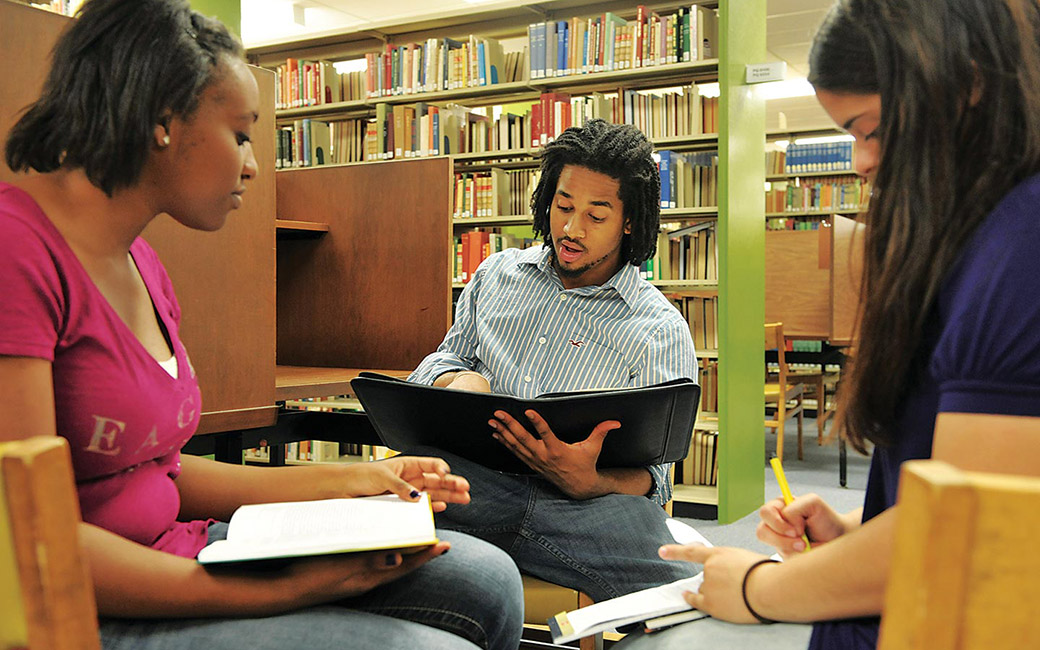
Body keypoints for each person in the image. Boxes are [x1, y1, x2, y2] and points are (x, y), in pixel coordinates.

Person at [0, 1, 522, 649]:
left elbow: (159, 475)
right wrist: (285, 588)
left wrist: (357, 480)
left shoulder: (142, 263)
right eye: (241, 134)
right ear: (163, 120)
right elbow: (27, 535)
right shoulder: (15, 251)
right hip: (81, 608)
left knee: (488, 581)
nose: (252, 165)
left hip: (179, 551)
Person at [641, 0, 1040, 648]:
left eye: (871, 129)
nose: (860, 161)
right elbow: (945, 488)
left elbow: (971, 540)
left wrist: (755, 587)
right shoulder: (983, 235)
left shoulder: (1021, 250)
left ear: (963, 85)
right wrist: (859, 528)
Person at [408, 118, 700, 602]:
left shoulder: (659, 329)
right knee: (357, 523)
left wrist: (593, 480)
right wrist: (453, 379)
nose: (571, 228)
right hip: (472, 482)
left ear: (629, 222)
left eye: (596, 216)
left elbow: (656, 479)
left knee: (684, 595)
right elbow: (443, 356)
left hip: (583, 508)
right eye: (563, 206)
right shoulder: (497, 275)